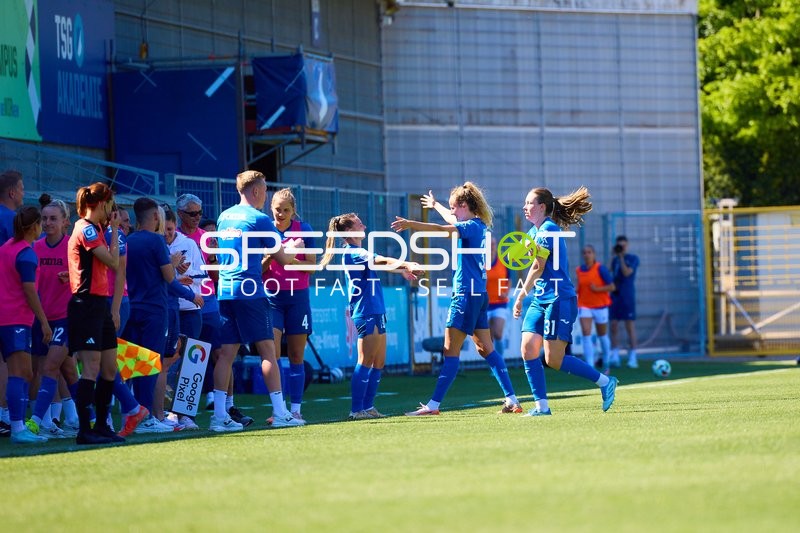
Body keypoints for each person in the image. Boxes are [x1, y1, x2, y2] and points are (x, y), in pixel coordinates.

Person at [392, 182, 523, 416]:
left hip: (465, 295)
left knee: (450, 351)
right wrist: (435, 206)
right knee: (486, 350)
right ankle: (512, 399)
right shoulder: (479, 224)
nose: (451, 212)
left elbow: (444, 229)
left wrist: (412, 224)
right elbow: (451, 221)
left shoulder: (470, 226)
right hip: (479, 295)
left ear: (464, 206)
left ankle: (433, 405)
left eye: (454, 207)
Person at [512, 186, 618, 416]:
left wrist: (520, 295)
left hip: (560, 299)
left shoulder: (549, 229)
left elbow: (538, 267)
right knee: (528, 348)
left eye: (529, 203)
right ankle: (542, 407)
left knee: (554, 359)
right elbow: (523, 258)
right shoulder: (534, 231)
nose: (525, 207)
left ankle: (604, 381)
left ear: (542, 207)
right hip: (541, 299)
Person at [213, 170, 300, 431]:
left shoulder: (223, 216)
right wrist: (292, 250)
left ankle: (219, 415)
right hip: (250, 290)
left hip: (226, 288)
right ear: (256, 191)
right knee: (267, 351)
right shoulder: (260, 219)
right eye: (263, 191)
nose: (265, 196)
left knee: (226, 354)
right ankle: (281, 412)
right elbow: (283, 259)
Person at [320, 213, 421, 420]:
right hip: (365, 311)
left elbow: (379, 264)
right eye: (360, 224)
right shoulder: (352, 252)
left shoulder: (358, 251)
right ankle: (357, 409)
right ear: (349, 231)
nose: (364, 226)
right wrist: (406, 264)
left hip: (376, 309)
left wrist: (401, 271)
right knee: (365, 360)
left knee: (378, 362)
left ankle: (368, 407)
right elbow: (381, 260)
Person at [124, 198, 202, 434]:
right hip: (155, 312)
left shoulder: (128, 241)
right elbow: (170, 280)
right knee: (152, 364)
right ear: (156, 217)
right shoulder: (156, 242)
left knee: (135, 363)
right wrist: (191, 295)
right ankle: (148, 418)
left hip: (133, 308)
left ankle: (136, 415)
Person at [67, 183, 124, 444]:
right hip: (86, 305)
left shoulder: (97, 229)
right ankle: (84, 429)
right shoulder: (87, 228)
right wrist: (113, 231)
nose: (112, 211)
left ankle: (102, 424)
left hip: (99, 305)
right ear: (102, 204)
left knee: (110, 368)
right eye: (110, 205)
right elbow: (113, 262)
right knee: (90, 367)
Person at [26, 197, 78, 439]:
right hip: (39, 318)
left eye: (53, 219)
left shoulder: (74, 248)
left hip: (65, 318)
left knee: (51, 366)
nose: (47, 223)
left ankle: (38, 420)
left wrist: (74, 277)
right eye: (44, 218)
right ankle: (79, 418)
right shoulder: (35, 248)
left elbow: (94, 279)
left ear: (65, 222)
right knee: (56, 370)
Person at [263, 188, 317, 422]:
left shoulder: (304, 230)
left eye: (286, 210)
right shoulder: (264, 230)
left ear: (293, 211)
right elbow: (259, 269)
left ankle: (295, 409)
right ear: (271, 209)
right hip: (271, 299)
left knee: (296, 355)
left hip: (298, 299)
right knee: (272, 355)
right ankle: (279, 409)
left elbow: (312, 267)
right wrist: (273, 255)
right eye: (277, 210)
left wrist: (289, 257)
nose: (281, 214)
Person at [0, 206, 51, 443]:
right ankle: (18, 428)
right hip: (15, 319)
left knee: (23, 372)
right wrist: (44, 322)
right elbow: (30, 292)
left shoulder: (7, 247)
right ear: (34, 227)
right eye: (41, 223)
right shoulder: (27, 254)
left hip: (7, 318)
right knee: (20, 372)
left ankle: (17, 425)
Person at [0, 169, 25, 437]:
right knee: (14, 363)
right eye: (21, 188)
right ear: (11, 192)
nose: (23, 193)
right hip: (11, 302)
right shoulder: (13, 221)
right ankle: (8, 416)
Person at [575, 244, 615, 372]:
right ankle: (590, 367)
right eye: (585, 253)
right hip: (584, 305)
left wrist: (597, 289)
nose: (587, 255)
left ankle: (606, 362)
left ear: (594, 254)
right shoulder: (579, 270)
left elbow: (612, 287)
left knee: (602, 335)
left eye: (589, 252)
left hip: (600, 306)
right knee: (586, 334)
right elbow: (579, 287)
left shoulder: (600, 269)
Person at [609, 235, 640, 369]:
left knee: (629, 326)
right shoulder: (615, 260)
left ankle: (633, 356)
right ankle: (615, 355)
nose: (621, 248)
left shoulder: (632, 258)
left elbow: (627, 272)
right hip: (615, 295)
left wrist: (621, 257)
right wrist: (613, 256)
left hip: (627, 295)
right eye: (619, 245)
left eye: (623, 245)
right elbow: (608, 272)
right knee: (614, 325)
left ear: (627, 245)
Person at [486, 235, 510, 356]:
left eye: (493, 244)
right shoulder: (480, 261)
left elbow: (508, 279)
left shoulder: (503, 261)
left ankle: (501, 362)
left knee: (498, 333)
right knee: (488, 338)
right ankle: (494, 365)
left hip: (500, 303)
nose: (492, 247)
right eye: (489, 244)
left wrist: (506, 292)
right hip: (484, 304)